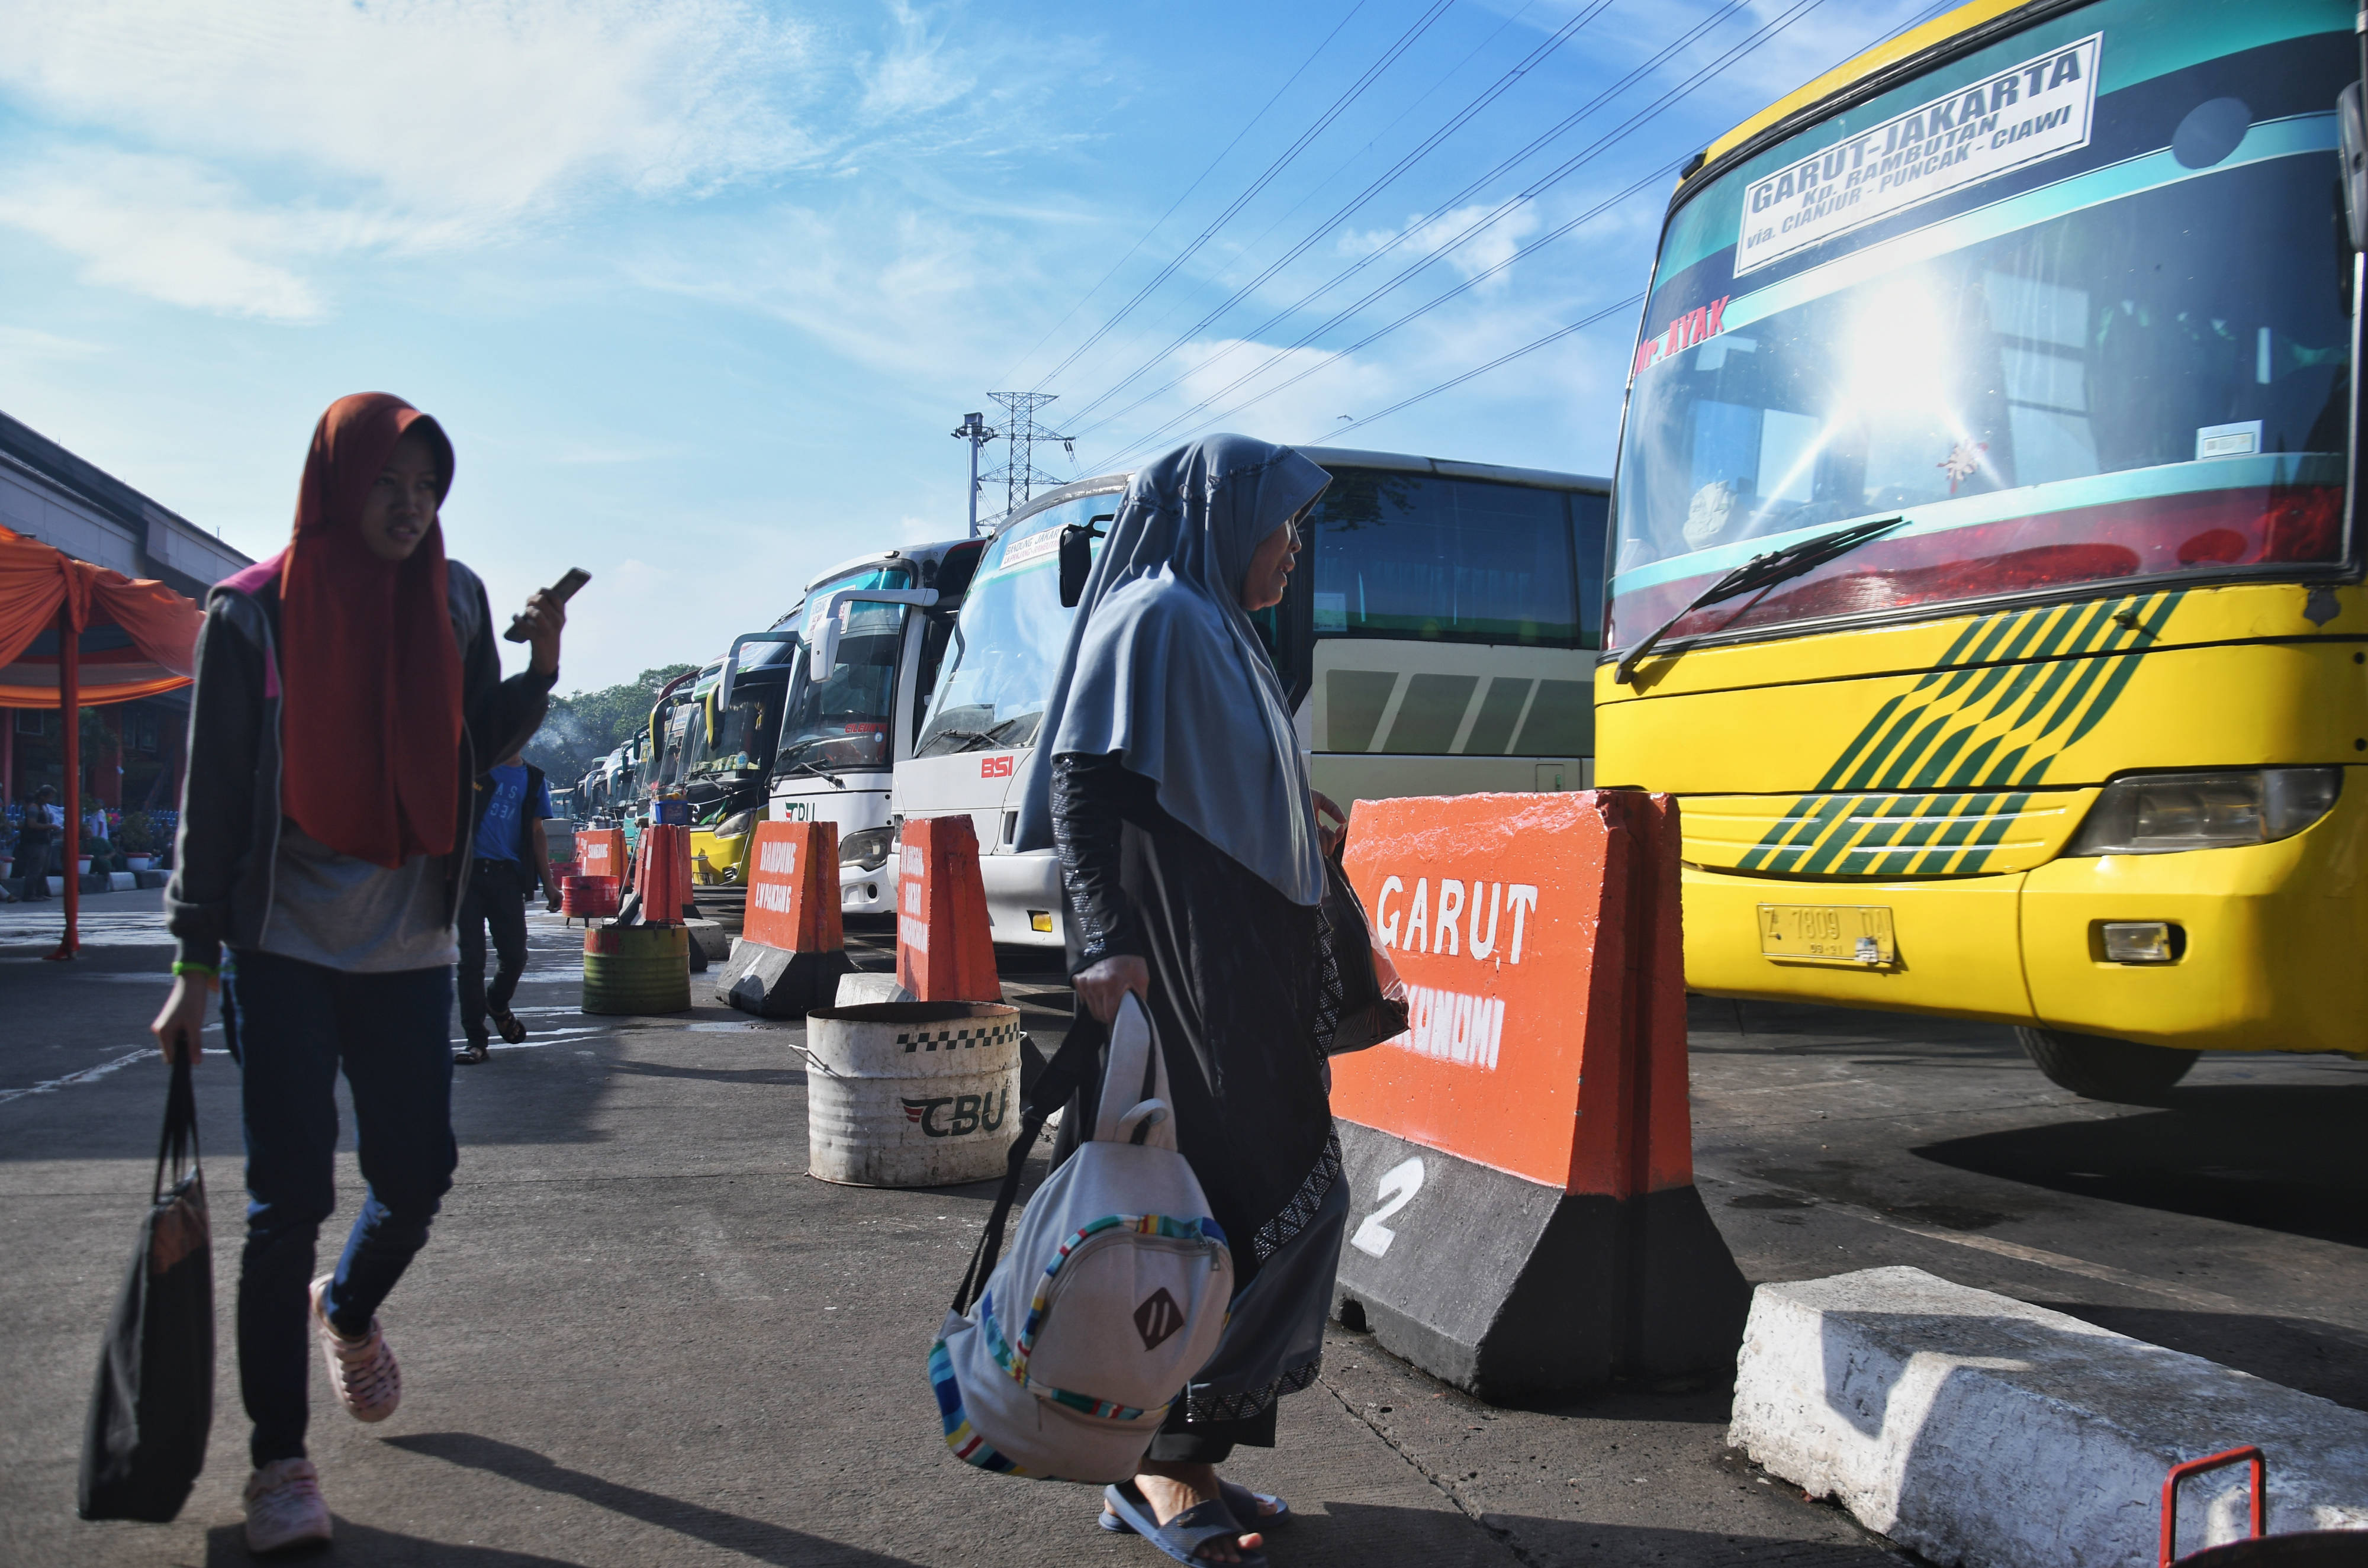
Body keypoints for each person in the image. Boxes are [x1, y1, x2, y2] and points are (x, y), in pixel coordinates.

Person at [150, 393, 565, 1557]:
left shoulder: (456, 596)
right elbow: (213, 799)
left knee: (418, 1172)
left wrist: (541, 666)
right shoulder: (250, 615)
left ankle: (349, 1308)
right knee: (286, 1206)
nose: (409, 505)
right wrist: (191, 962)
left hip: (409, 945)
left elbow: (473, 738)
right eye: (388, 481)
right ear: (336, 483)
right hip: (279, 942)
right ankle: (278, 1460)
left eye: (427, 487)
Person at [1015, 434, 1344, 1567]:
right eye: (1280, 524)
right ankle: (1156, 1461)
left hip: (1253, 971)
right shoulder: (1155, 616)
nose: (1291, 548)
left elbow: (1230, 787)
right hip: (1188, 971)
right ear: (1224, 515)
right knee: (1199, 1216)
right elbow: (1082, 780)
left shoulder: (1224, 630)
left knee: (1281, 1200)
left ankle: (1185, 1453)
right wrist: (1102, 943)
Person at [454, 748, 558, 1064]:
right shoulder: (474, 768)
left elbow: (537, 832)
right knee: (470, 962)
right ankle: (476, 1041)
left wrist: (549, 883)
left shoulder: (533, 778)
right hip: (468, 877)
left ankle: (497, 1004)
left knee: (514, 956)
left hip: (506, 879)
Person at [15, 785, 60, 901]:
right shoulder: (34, 808)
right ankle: (29, 894)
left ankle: (40, 893)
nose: (50, 800)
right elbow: (32, 824)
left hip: (46, 841)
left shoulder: (45, 808)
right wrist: (49, 826)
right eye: (49, 797)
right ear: (42, 796)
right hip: (36, 843)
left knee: (44, 869)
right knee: (35, 869)